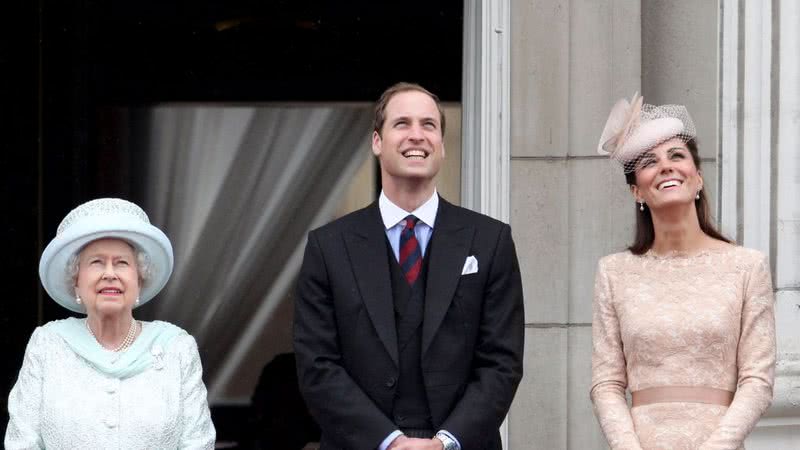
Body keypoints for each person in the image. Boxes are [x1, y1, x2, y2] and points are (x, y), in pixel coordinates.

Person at [293, 82, 524, 450]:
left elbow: (502, 362)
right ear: (376, 142)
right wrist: (389, 442)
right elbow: (318, 366)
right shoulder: (329, 246)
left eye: (429, 125)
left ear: (442, 146)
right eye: (402, 123)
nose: (417, 135)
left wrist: (446, 442)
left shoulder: (489, 240)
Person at [590, 93, 776, 449]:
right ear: (636, 191)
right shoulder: (613, 272)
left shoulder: (747, 266)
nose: (666, 166)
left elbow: (757, 379)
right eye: (649, 161)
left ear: (698, 178)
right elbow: (607, 382)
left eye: (677, 155)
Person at [5, 198, 216, 449]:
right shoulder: (48, 344)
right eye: (96, 262)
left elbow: (197, 444)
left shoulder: (177, 348)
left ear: (140, 280)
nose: (109, 274)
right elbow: (22, 443)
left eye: (122, 263)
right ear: (76, 281)